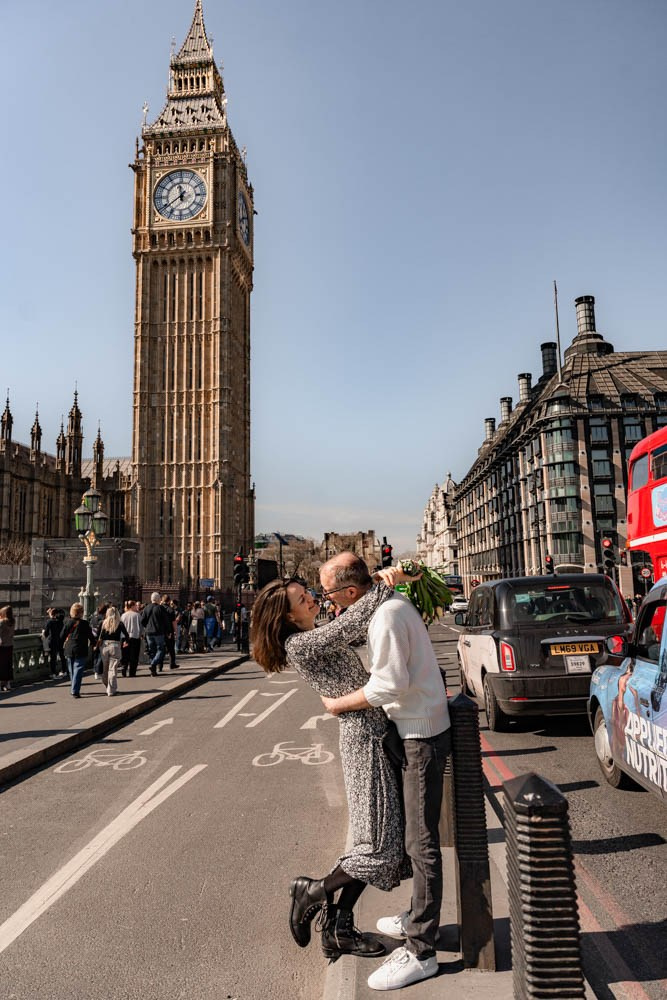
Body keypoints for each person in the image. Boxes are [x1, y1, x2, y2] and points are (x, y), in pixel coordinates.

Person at [251, 564, 414, 963]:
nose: (310, 598)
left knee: (378, 839)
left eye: (306, 592)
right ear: (288, 615)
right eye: (301, 598)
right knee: (378, 846)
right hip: (363, 740)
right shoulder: (300, 644)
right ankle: (313, 891)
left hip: (373, 730)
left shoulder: (315, 635)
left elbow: (359, 628)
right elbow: (352, 621)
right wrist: (381, 584)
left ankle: (338, 930)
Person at [320, 552, 451, 992]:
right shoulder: (387, 605)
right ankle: (418, 916)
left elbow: (389, 684)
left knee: (421, 844)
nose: (328, 600)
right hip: (415, 729)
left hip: (420, 737)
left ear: (349, 592)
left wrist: (338, 704)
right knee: (416, 838)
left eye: (329, 593)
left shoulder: (387, 616)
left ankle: (421, 950)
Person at [60, 603, 95, 698]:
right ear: (81, 613)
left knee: (72, 670)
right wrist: (94, 643)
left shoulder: (67, 622)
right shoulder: (85, 623)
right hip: (81, 649)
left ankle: (73, 687)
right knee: (78, 670)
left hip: (69, 649)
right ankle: (75, 690)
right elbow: (90, 636)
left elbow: (62, 636)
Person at [96, 606, 129, 696]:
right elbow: (126, 635)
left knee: (105, 668)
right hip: (115, 646)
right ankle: (111, 690)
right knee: (112, 669)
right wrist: (126, 642)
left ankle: (107, 685)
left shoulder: (103, 623)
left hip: (104, 646)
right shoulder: (119, 623)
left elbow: (98, 635)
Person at [141, 592, 173, 675]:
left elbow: (142, 620)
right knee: (161, 650)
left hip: (149, 632)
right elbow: (166, 621)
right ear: (158, 599)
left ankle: (153, 670)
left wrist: (147, 627)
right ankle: (153, 663)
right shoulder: (160, 608)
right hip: (159, 632)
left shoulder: (146, 608)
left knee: (152, 651)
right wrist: (168, 631)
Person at [43, 607, 67, 678]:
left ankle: (53, 673)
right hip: (60, 640)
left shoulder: (49, 622)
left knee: (53, 658)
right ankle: (64, 671)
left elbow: (46, 633)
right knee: (62, 656)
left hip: (52, 641)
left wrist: (43, 633)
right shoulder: (60, 621)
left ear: (51, 614)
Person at [120, 600, 142, 677]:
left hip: (125, 638)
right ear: (132, 606)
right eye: (135, 605)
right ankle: (132, 672)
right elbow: (141, 626)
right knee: (134, 655)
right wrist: (141, 634)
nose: (136, 607)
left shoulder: (123, 615)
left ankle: (124, 668)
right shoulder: (137, 615)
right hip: (135, 637)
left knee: (125, 654)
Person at [0, 605, 16, 692]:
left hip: (2, 646)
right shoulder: (13, 621)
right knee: (8, 665)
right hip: (10, 645)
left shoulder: (2, 622)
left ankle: (1, 684)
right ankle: (8, 684)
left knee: (1, 665)